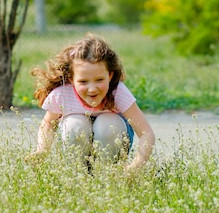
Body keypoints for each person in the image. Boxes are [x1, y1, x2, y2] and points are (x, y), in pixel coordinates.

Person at [28, 33, 155, 172]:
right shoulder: (62, 94)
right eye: (83, 81)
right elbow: (47, 125)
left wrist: (134, 168)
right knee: (74, 124)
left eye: (99, 80)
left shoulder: (118, 92)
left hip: (112, 138)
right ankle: (78, 175)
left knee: (107, 123)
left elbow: (146, 133)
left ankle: (107, 174)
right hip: (76, 138)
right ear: (71, 79)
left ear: (110, 75)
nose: (92, 89)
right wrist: (42, 150)